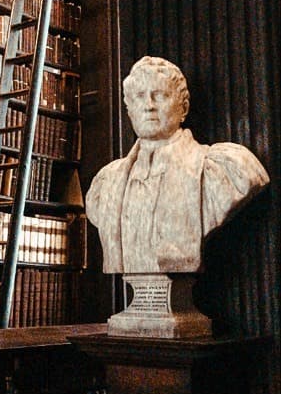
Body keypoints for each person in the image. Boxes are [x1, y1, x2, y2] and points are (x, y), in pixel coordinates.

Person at [86, 56, 270, 274]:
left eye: (160, 95)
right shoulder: (107, 182)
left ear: (183, 108)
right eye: (139, 97)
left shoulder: (225, 169)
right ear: (129, 111)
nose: (149, 106)